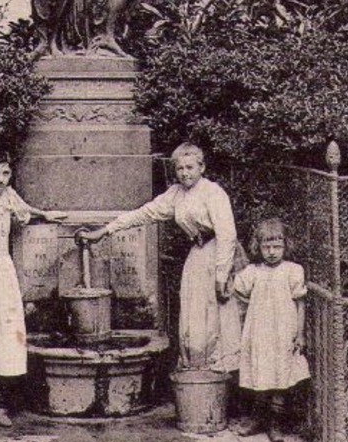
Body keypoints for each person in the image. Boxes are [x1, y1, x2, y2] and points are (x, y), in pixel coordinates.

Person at [77, 142, 242, 372]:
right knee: (193, 316)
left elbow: (227, 234)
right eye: (180, 168)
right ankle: (196, 371)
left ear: (202, 167)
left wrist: (221, 274)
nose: (185, 173)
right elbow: (145, 213)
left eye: (190, 167)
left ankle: (219, 377)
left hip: (218, 255)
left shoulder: (213, 192)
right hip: (197, 255)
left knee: (217, 315)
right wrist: (105, 231)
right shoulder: (176, 193)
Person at [0, 156, 67, 426]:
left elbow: (24, 209)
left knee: (8, 337)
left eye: (5, 172)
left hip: (4, 270)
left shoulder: (8, 195)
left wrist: (45, 215)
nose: (1, 178)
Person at [230, 216, 310, 442]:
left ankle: (275, 422)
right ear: (259, 247)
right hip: (259, 333)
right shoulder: (253, 272)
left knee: (281, 373)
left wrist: (300, 334)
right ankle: (257, 418)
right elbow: (239, 293)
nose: (272, 252)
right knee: (259, 372)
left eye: (277, 247)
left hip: (284, 331)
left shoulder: (293, 270)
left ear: (285, 246)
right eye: (266, 247)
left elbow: (300, 303)